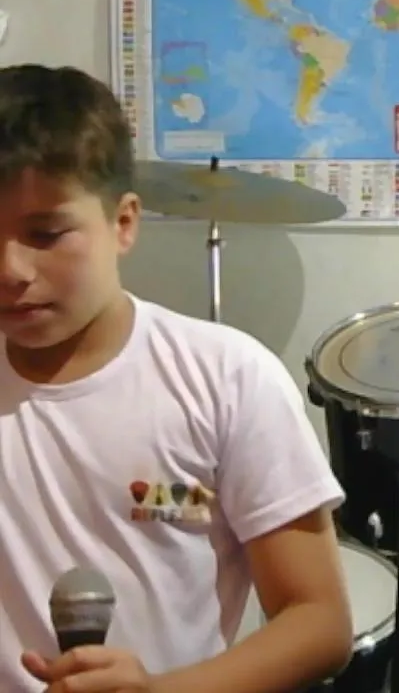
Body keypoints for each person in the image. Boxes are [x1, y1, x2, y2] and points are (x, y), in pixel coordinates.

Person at [0, 64, 352, 692]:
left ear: (124, 222)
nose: (11, 269)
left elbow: (319, 622)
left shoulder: (227, 377)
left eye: (46, 234)